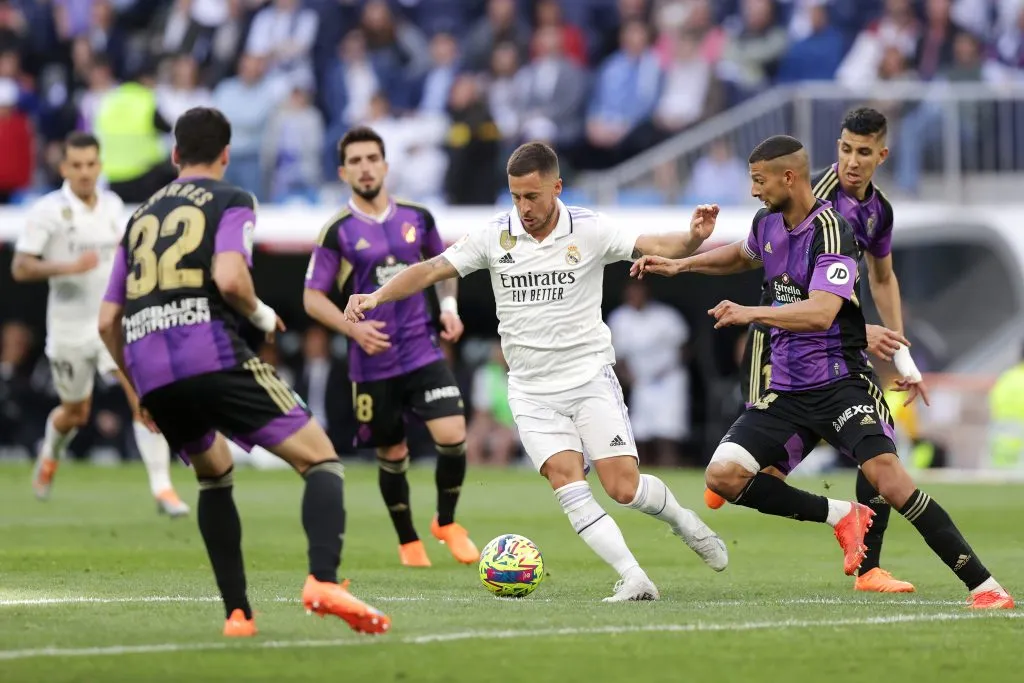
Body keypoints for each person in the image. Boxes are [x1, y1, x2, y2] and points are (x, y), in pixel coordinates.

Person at [632, 135, 1014, 610]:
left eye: (759, 180)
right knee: (722, 476)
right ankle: (842, 515)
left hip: (840, 384)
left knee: (890, 481)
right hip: (787, 391)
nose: (753, 190)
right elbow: (741, 254)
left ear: (789, 177)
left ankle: (985, 586)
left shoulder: (833, 231)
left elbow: (821, 313)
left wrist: (751, 312)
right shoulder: (767, 221)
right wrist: (681, 265)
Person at [344, 141, 728, 602]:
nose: (523, 208)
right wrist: (375, 297)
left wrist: (693, 238)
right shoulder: (495, 235)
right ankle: (633, 577)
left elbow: (658, 245)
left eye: (532, 196)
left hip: (588, 378)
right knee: (568, 483)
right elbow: (430, 269)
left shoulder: (589, 228)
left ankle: (683, 521)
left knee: (623, 488)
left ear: (556, 187)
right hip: (531, 390)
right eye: (515, 197)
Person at [97, 107, 390, 636]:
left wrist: (137, 388)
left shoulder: (139, 217)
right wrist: (259, 314)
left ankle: (238, 615)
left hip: (150, 367)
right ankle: (323, 581)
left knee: (213, 474)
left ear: (175, 154)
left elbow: (106, 320)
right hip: (208, 351)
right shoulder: (231, 198)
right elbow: (231, 278)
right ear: (227, 155)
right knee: (321, 459)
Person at [706, 107, 926, 594]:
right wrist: (859, 329)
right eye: (845, 149)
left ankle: (869, 568)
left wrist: (901, 354)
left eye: (863, 152)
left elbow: (882, 278)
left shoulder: (878, 212)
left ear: (882, 156)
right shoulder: (810, 196)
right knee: (762, 469)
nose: (851, 161)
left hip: (835, 345)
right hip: (782, 342)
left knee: (879, 442)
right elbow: (784, 279)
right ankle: (737, 478)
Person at [303, 126, 476, 568]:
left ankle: (446, 521)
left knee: (453, 434)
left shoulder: (418, 217)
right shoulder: (337, 231)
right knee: (393, 452)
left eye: (371, 159)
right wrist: (353, 331)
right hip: (373, 362)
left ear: (385, 165)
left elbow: (444, 267)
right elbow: (312, 298)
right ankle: (408, 541)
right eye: (355, 161)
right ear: (343, 172)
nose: (364, 168)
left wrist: (449, 307)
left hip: (422, 349)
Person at [12, 132, 188, 517]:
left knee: (144, 398)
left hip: (111, 324)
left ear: (100, 166)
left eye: (91, 164)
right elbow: (20, 267)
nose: (85, 172)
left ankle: (163, 489)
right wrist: (68, 267)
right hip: (69, 329)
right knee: (75, 413)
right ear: (64, 168)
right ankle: (50, 452)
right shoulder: (48, 211)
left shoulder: (112, 205)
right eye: (77, 165)